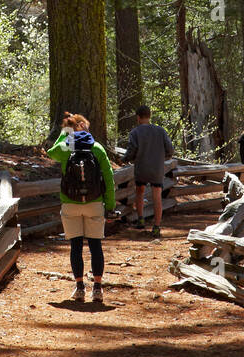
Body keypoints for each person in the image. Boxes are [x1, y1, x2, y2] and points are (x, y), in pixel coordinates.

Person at [47, 112, 116, 303]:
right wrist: (110, 206)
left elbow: (51, 152)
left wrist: (65, 133)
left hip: (70, 203)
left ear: (71, 130)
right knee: (95, 246)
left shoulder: (66, 147)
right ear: (85, 128)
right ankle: (98, 289)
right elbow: (109, 180)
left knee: (75, 246)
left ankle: (79, 288)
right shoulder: (97, 148)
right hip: (94, 203)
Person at [124, 104, 173, 238]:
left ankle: (140, 220)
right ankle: (156, 227)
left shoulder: (135, 132)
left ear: (138, 118)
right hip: (157, 168)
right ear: (149, 116)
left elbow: (131, 151)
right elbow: (170, 149)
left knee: (139, 192)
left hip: (141, 167)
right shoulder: (160, 131)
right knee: (157, 196)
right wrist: (164, 158)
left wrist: (126, 159)